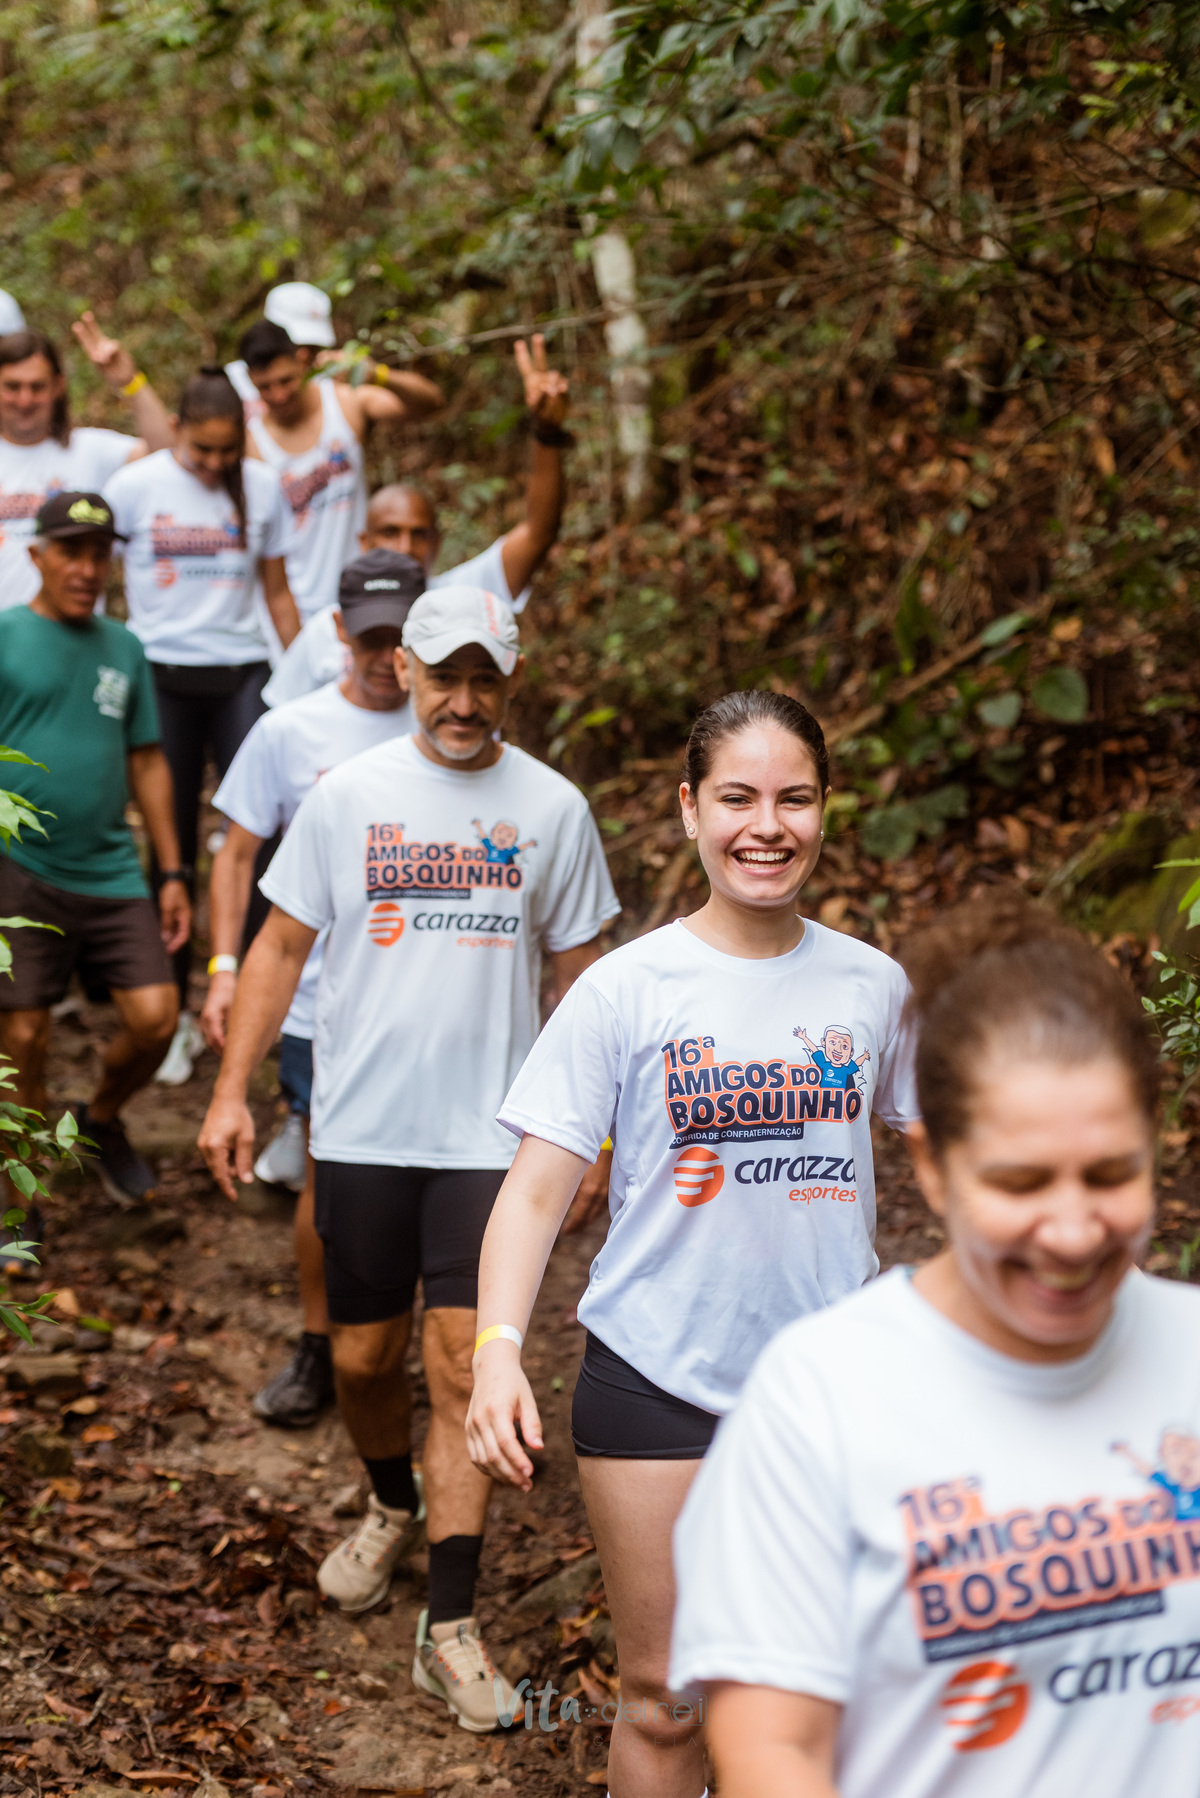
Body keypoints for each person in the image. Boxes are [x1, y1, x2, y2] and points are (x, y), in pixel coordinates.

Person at [466, 689, 916, 1798]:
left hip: (826, 1395)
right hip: (655, 1377)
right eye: (737, 798)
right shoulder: (625, 989)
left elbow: (968, 1158)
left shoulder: (873, 985)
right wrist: (494, 1351)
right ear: (689, 809)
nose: (767, 826)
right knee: (665, 1700)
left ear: (825, 808)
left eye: (794, 799)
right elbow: (534, 1193)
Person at [667, 889, 1198, 1798]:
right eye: (1021, 1183)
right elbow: (773, 1751)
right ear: (933, 1167)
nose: (1073, 1231)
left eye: (1111, 1175)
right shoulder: (820, 1400)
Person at [199, 584, 619, 1732]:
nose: (463, 701)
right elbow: (280, 945)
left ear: (512, 680)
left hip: (493, 1143)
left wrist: (595, 1129)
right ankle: (391, 1500)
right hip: (363, 1133)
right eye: (445, 677)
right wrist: (232, 1091)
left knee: (460, 1364)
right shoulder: (348, 796)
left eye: (485, 679)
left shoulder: (553, 808)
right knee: (365, 1358)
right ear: (406, 673)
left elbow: (585, 978)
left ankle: (452, 1623)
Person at [199, 549, 426, 1428]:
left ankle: (410, 1338)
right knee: (329, 1168)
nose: (385, 657)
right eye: (370, 639)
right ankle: (320, 1341)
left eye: (401, 639)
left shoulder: (454, 731)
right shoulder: (291, 732)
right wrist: (225, 969)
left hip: (426, 1006)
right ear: (338, 632)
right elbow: (237, 856)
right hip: (317, 1002)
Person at [103, 367, 300, 1085]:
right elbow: (93, 576)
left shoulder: (264, 486)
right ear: (178, 429)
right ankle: (176, 1012)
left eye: (227, 451)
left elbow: (277, 592)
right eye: (202, 450)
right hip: (161, 675)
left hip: (241, 672)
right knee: (172, 844)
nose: (216, 464)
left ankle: (248, 988)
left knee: (260, 834)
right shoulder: (136, 486)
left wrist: (303, 680)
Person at [0, 492, 190, 1226]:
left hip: (111, 866)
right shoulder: (8, 635)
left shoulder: (125, 647)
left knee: (157, 1019)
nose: (85, 568)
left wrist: (170, 871)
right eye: (70, 552)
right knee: (23, 1034)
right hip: (18, 865)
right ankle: (23, 1203)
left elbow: (147, 759)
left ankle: (101, 1118)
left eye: (98, 554)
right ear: (36, 555)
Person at [261, 334, 571, 707]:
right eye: (390, 533)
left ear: (437, 544)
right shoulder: (330, 626)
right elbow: (283, 720)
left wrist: (547, 433)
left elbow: (538, 533)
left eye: (419, 535)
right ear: (365, 542)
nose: (405, 548)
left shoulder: (459, 597)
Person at [238, 318, 442, 625]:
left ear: (302, 361)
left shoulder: (343, 402)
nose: (278, 395)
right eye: (264, 387)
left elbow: (430, 403)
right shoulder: (253, 446)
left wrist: (377, 375)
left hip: (365, 590)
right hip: (298, 605)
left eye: (286, 381)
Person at [0, 317, 173, 610]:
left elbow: (167, 455)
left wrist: (130, 383)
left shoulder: (90, 450)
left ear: (58, 386)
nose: (25, 400)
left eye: (37, 387)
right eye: (12, 387)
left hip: (75, 633)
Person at [224, 281, 338, 412]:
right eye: (296, 344)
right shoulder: (230, 382)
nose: (279, 397)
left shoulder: (331, 379)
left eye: (312, 346)